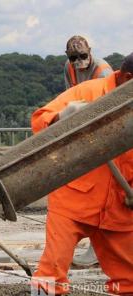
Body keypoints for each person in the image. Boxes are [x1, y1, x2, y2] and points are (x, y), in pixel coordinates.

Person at [31, 53, 133, 295]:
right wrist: (61, 117)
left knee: (129, 279)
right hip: (73, 201)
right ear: (128, 78)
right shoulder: (87, 93)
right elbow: (38, 121)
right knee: (50, 275)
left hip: (120, 206)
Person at [64, 35, 114, 267]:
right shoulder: (70, 68)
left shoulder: (103, 71)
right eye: (73, 58)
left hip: (108, 133)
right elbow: (68, 100)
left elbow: (109, 111)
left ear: (90, 52)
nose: (78, 62)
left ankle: (100, 248)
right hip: (87, 133)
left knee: (107, 195)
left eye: (82, 56)